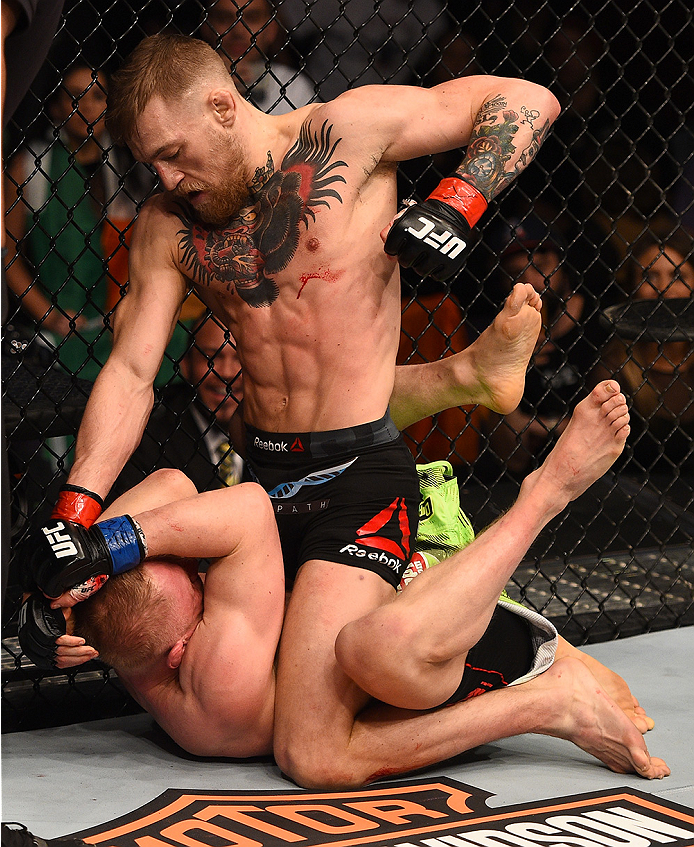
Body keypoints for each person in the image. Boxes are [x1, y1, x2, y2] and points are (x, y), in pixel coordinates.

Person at [48, 33, 562, 788]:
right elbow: (130, 370)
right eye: (148, 161)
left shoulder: (346, 134)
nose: (163, 176)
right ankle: (467, 390)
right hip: (263, 480)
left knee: (308, 751)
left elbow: (525, 100)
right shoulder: (170, 224)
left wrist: (459, 200)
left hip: (357, 482)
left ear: (224, 106)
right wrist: (73, 513)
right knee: (252, 712)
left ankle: (549, 688)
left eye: (173, 152)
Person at [20, 379, 668, 785]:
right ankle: (545, 498)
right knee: (369, 650)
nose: (202, 567)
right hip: (447, 649)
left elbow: (169, 490)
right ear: (182, 647)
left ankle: (465, 376)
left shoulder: (131, 638)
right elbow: (242, 508)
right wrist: (111, 544)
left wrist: (60, 587)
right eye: (198, 579)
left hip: (390, 581)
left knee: (326, 432)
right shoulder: (215, 680)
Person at [4, 62, 152, 382]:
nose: (87, 106)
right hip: (57, 332)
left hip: (117, 327)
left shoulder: (130, 165)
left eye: (98, 96)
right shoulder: (31, 165)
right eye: (75, 97)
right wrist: (48, 314)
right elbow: (9, 254)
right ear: (56, 106)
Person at [485, 215, 593, 475]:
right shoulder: (495, 335)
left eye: (540, 266)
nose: (530, 282)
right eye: (515, 275)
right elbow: (511, 452)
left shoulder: (596, 322)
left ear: (563, 265)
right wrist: (514, 361)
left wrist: (542, 426)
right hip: (523, 475)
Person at [592, 226, 693, 498]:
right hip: (633, 508)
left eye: (677, 275)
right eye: (650, 276)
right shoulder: (613, 370)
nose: (664, 290)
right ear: (633, 286)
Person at [110, 312, 244, 500]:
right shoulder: (147, 431)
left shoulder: (280, 427)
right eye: (212, 359)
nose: (228, 373)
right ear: (185, 365)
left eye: (241, 358)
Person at [199, 0, 316, 115]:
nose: (238, 31)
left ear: (272, 29)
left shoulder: (293, 87)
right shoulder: (189, 83)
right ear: (206, 26)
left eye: (252, 18)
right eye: (224, 18)